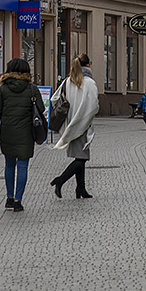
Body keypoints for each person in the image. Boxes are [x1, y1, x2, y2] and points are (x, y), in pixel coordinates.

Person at [0, 57, 47, 212]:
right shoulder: (32, 89)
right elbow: (41, 109)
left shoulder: (3, 89)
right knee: (22, 166)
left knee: (9, 164)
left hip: (7, 132)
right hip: (26, 134)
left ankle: (8, 197)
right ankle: (18, 200)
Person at [49, 57, 100, 199]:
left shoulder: (68, 81)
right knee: (81, 159)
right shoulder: (90, 83)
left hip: (70, 123)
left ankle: (80, 189)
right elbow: (94, 105)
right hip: (83, 123)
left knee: (80, 156)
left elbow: (54, 99)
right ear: (88, 65)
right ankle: (60, 180)